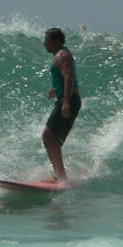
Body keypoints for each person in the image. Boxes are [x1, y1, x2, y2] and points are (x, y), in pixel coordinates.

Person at [42, 28, 81, 183]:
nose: (45, 43)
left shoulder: (62, 55)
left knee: (47, 135)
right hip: (68, 98)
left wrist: (65, 102)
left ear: (56, 41)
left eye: (47, 40)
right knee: (54, 139)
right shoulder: (60, 54)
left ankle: (60, 175)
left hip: (68, 100)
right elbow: (63, 76)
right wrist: (55, 88)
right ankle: (59, 174)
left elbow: (69, 77)